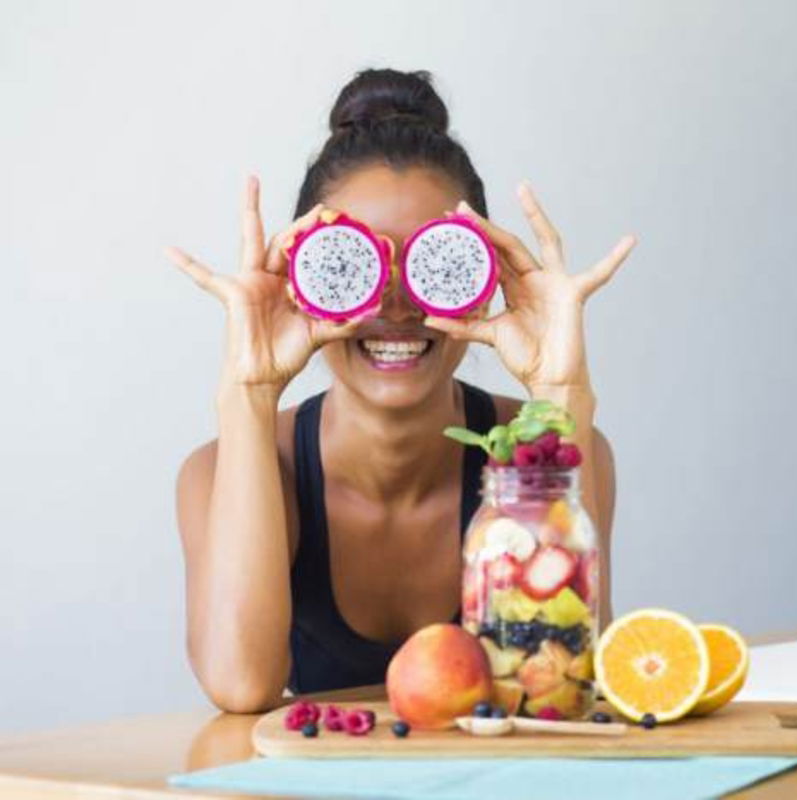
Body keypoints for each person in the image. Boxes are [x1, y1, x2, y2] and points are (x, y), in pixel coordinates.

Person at [167, 68, 634, 713]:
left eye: (438, 265)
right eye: (348, 266)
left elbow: (557, 679)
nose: (397, 305)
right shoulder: (222, 472)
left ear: (489, 278)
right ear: (298, 283)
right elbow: (240, 684)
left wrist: (560, 392)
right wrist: (248, 390)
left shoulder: (557, 451)